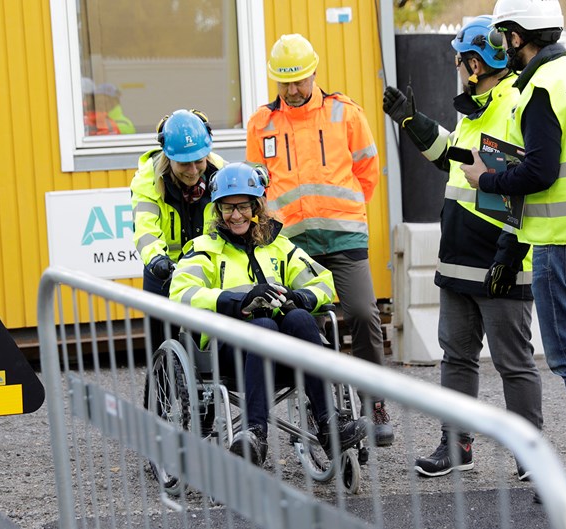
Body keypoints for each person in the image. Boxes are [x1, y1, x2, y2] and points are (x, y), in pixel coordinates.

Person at [461, 0, 566, 504]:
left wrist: (485, 178)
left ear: (517, 36)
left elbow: (540, 172)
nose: (500, 48)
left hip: (564, 241)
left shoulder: (540, 87)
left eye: (500, 38)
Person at [383, 15, 542, 480]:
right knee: (456, 357)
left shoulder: (514, 103)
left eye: (460, 57)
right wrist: (411, 122)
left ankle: (530, 455)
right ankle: (456, 445)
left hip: (499, 257)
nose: (455, 63)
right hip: (458, 256)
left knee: (513, 363)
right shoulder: (476, 106)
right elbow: (456, 158)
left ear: (476, 63)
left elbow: (526, 184)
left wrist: (510, 251)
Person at [169, 162, 369, 467]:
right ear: (217, 210)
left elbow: (323, 283)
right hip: (228, 354)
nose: (236, 215)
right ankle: (254, 432)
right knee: (261, 324)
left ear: (257, 206)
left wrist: (298, 296)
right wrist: (236, 302)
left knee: (300, 318)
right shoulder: (203, 249)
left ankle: (329, 424)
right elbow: (180, 293)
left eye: (243, 206)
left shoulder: (280, 246)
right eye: (227, 208)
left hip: (286, 356)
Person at [245, 34, 394, 446]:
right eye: (284, 82)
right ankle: (323, 410)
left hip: (344, 239)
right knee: (305, 322)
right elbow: (259, 186)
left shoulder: (345, 113)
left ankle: (374, 401)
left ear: (313, 73)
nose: (293, 90)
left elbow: (367, 171)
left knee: (364, 313)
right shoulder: (261, 123)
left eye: (299, 81)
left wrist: (340, 213)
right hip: (291, 246)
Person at [130, 109, 224, 355]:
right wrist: (157, 260)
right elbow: (145, 229)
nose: (193, 170)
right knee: (160, 350)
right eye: (184, 163)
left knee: (206, 352)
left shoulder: (221, 174)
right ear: (167, 157)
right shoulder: (147, 180)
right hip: (162, 271)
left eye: (199, 161)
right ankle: (161, 390)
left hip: (205, 271)